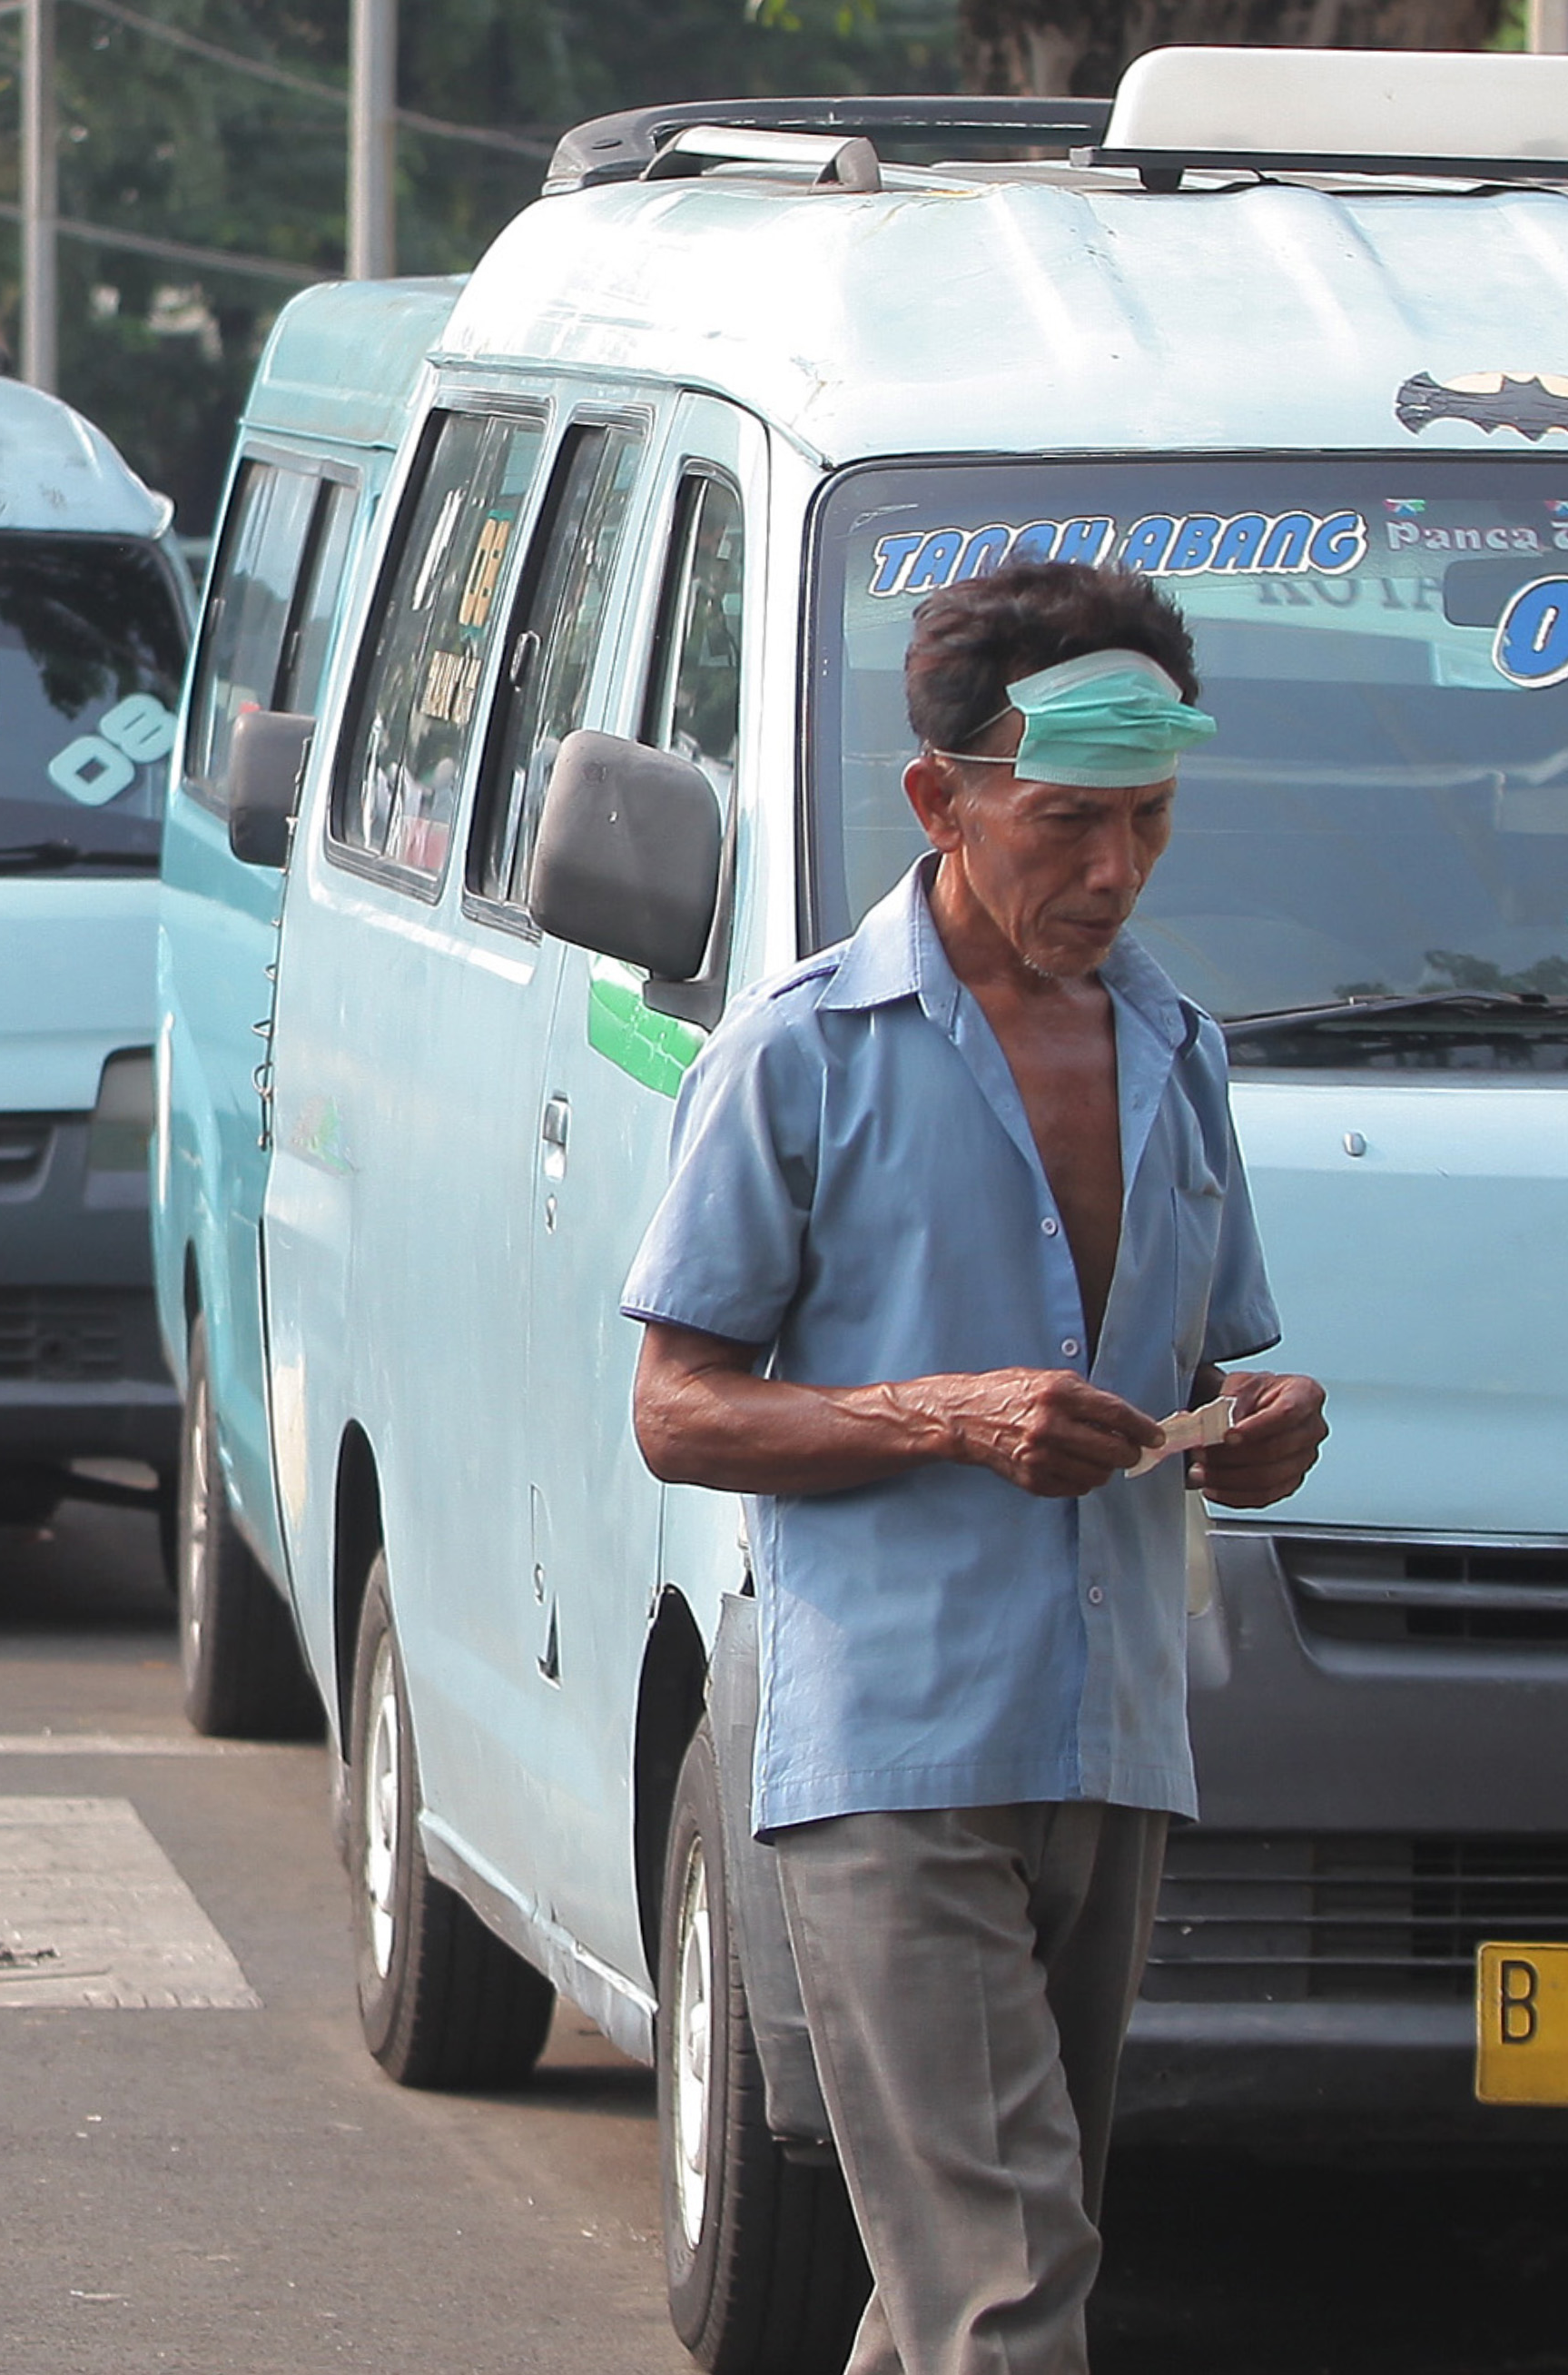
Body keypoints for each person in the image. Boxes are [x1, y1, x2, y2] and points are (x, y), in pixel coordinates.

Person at [623, 559, 1328, 2375]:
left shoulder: (1176, 1055)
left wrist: (1249, 1434)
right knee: (1008, 2289)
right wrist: (937, 1413)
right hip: (891, 1752)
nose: (1112, 874)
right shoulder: (800, 1052)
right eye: (1067, 823)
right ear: (940, 800)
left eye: (1149, 823)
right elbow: (677, 1409)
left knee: (967, 2288)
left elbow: (1201, 1379)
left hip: (1106, 1736)